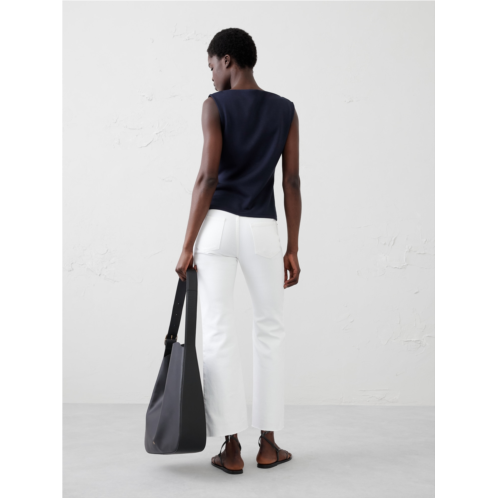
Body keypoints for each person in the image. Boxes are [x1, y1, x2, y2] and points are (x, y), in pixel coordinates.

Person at [175, 27, 301, 474]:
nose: (211, 76)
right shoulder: (285, 110)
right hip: (263, 229)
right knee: (270, 330)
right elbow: (291, 181)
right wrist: (293, 246)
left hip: (218, 229)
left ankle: (230, 449)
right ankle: (268, 444)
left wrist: (186, 245)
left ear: (227, 60)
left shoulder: (215, 105)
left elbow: (207, 178)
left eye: (212, 66)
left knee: (218, 331)